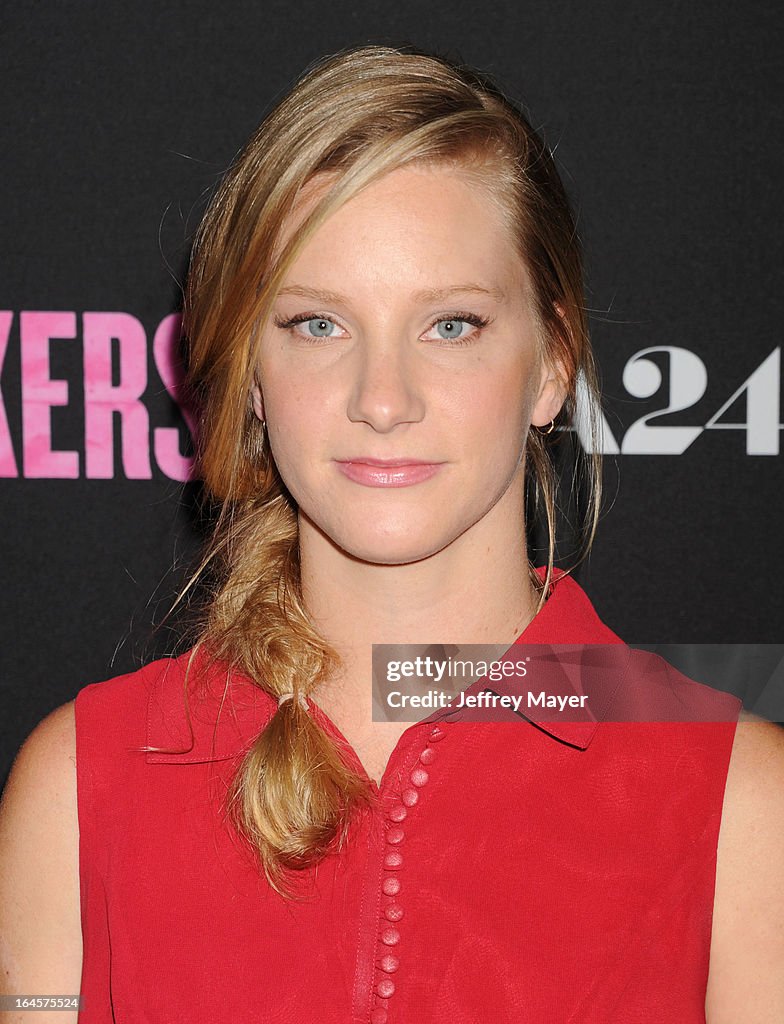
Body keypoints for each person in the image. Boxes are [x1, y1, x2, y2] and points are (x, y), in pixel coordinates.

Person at [1, 43, 782, 1024]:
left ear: (550, 365)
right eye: (317, 325)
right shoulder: (83, 783)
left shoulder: (736, 803)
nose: (381, 399)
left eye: (449, 325)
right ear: (248, 371)